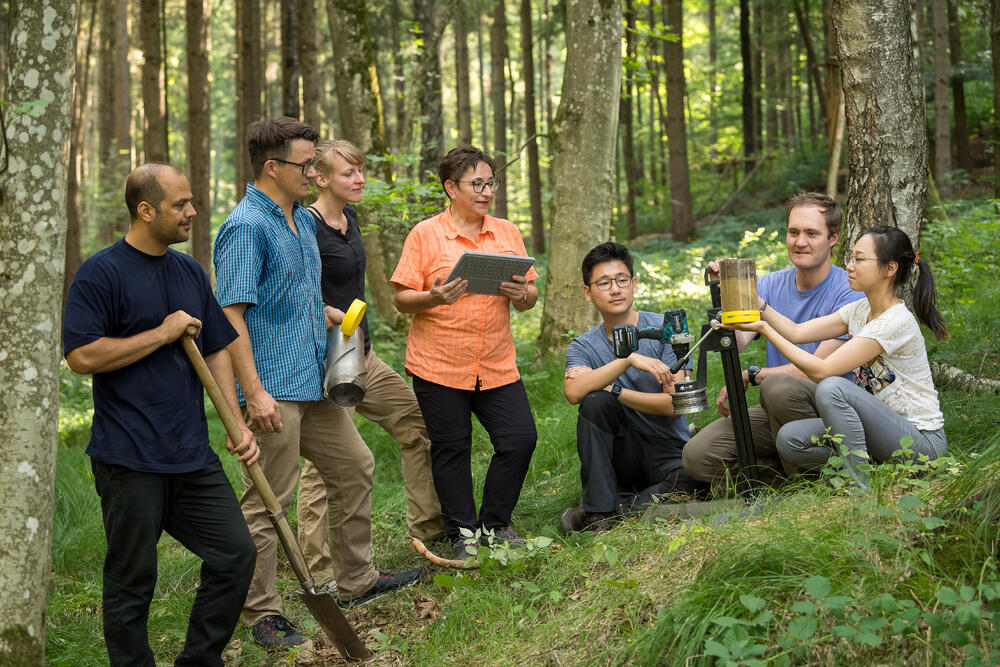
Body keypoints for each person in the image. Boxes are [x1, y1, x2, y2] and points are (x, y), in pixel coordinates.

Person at [213, 117, 418, 648]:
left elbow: (297, 295)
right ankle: (262, 614)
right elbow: (231, 315)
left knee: (355, 466)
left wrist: (327, 314)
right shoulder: (246, 226)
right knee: (267, 501)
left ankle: (356, 579)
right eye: (305, 164)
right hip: (274, 385)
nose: (313, 171)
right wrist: (252, 392)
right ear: (271, 167)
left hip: (316, 378)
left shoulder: (301, 222)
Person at [63, 163, 259, 666]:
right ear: (145, 210)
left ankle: (199, 660)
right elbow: (82, 357)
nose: (192, 212)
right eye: (180, 204)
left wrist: (236, 425)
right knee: (133, 579)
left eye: (191, 201)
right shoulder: (101, 273)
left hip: (191, 454)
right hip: (129, 457)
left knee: (236, 554)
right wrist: (162, 333)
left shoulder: (188, 270)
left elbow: (216, 344)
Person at [296, 139, 445, 587]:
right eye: (348, 173)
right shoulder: (305, 225)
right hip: (324, 361)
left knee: (415, 425)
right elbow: (297, 291)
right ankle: (319, 568)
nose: (359, 179)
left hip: (363, 353)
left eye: (361, 171)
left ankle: (428, 528)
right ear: (320, 178)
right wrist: (324, 312)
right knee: (326, 466)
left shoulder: (350, 217)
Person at [391, 144, 539, 559]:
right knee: (451, 450)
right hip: (438, 365)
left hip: (495, 362)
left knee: (519, 439)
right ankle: (464, 536)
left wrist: (521, 293)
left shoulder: (507, 232)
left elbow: (531, 294)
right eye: (477, 183)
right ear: (450, 188)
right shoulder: (425, 234)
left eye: (491, 183)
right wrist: (433, 297)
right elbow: (403, 298)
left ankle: (496, 525)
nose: (486, 191)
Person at [728, 226, 948, 488]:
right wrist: (759, 305)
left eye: (859, 259)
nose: (850, 266)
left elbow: (822, 371)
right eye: (851, 258)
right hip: (881, 435)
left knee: (833, 387)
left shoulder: (896, 321)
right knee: (790, 438)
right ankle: (874, 473)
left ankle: (860, 488)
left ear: (889, 269)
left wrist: (764, 328)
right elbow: (797, 332)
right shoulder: (859, 309)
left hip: (922, 445)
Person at [682, 192, 863, 487]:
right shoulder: (768, 284)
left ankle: (821, 480)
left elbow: (818, 367)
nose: (799, 241)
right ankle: (789, 481)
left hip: (829, 410)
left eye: (811, 233)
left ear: (833, 238)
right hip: (775, 407)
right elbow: (737, 343)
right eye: (793, 232)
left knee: (778, 387)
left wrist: (755, 375)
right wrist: (726, 289)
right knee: (698, 455)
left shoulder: (849, 291)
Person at [560, 242, 708, 533]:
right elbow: (574, 393)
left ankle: (607, 507)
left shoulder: (669, 329)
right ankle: (601, 515)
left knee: (699, 478)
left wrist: (614, 388)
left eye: (621, 280)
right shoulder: (583, 345)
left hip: (666, 450)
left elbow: (673, 407)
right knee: (594, 403)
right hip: (620, 452)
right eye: (603, 283)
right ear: (587, 293)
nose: (615, 289)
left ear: (634, 284)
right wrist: (627, 361)